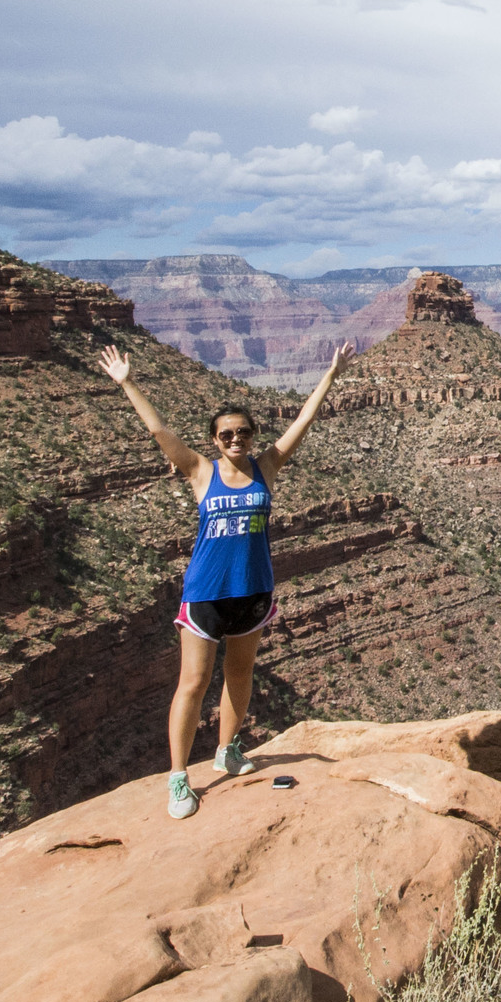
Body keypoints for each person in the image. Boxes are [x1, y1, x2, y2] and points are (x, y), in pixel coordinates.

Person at [96, 339, 355, 819]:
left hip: (254, 590)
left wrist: (332, 374)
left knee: (239, 674)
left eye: (242, 432)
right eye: (225, 434)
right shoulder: (199, 471)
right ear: (214, 440)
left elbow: (304, 421)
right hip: (207, 593)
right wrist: (127, 382)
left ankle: (227, 751)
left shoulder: (267, 467)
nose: (235, 440)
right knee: (193, 683)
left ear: (254, 435)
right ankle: (179, 778)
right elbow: (159, 431)